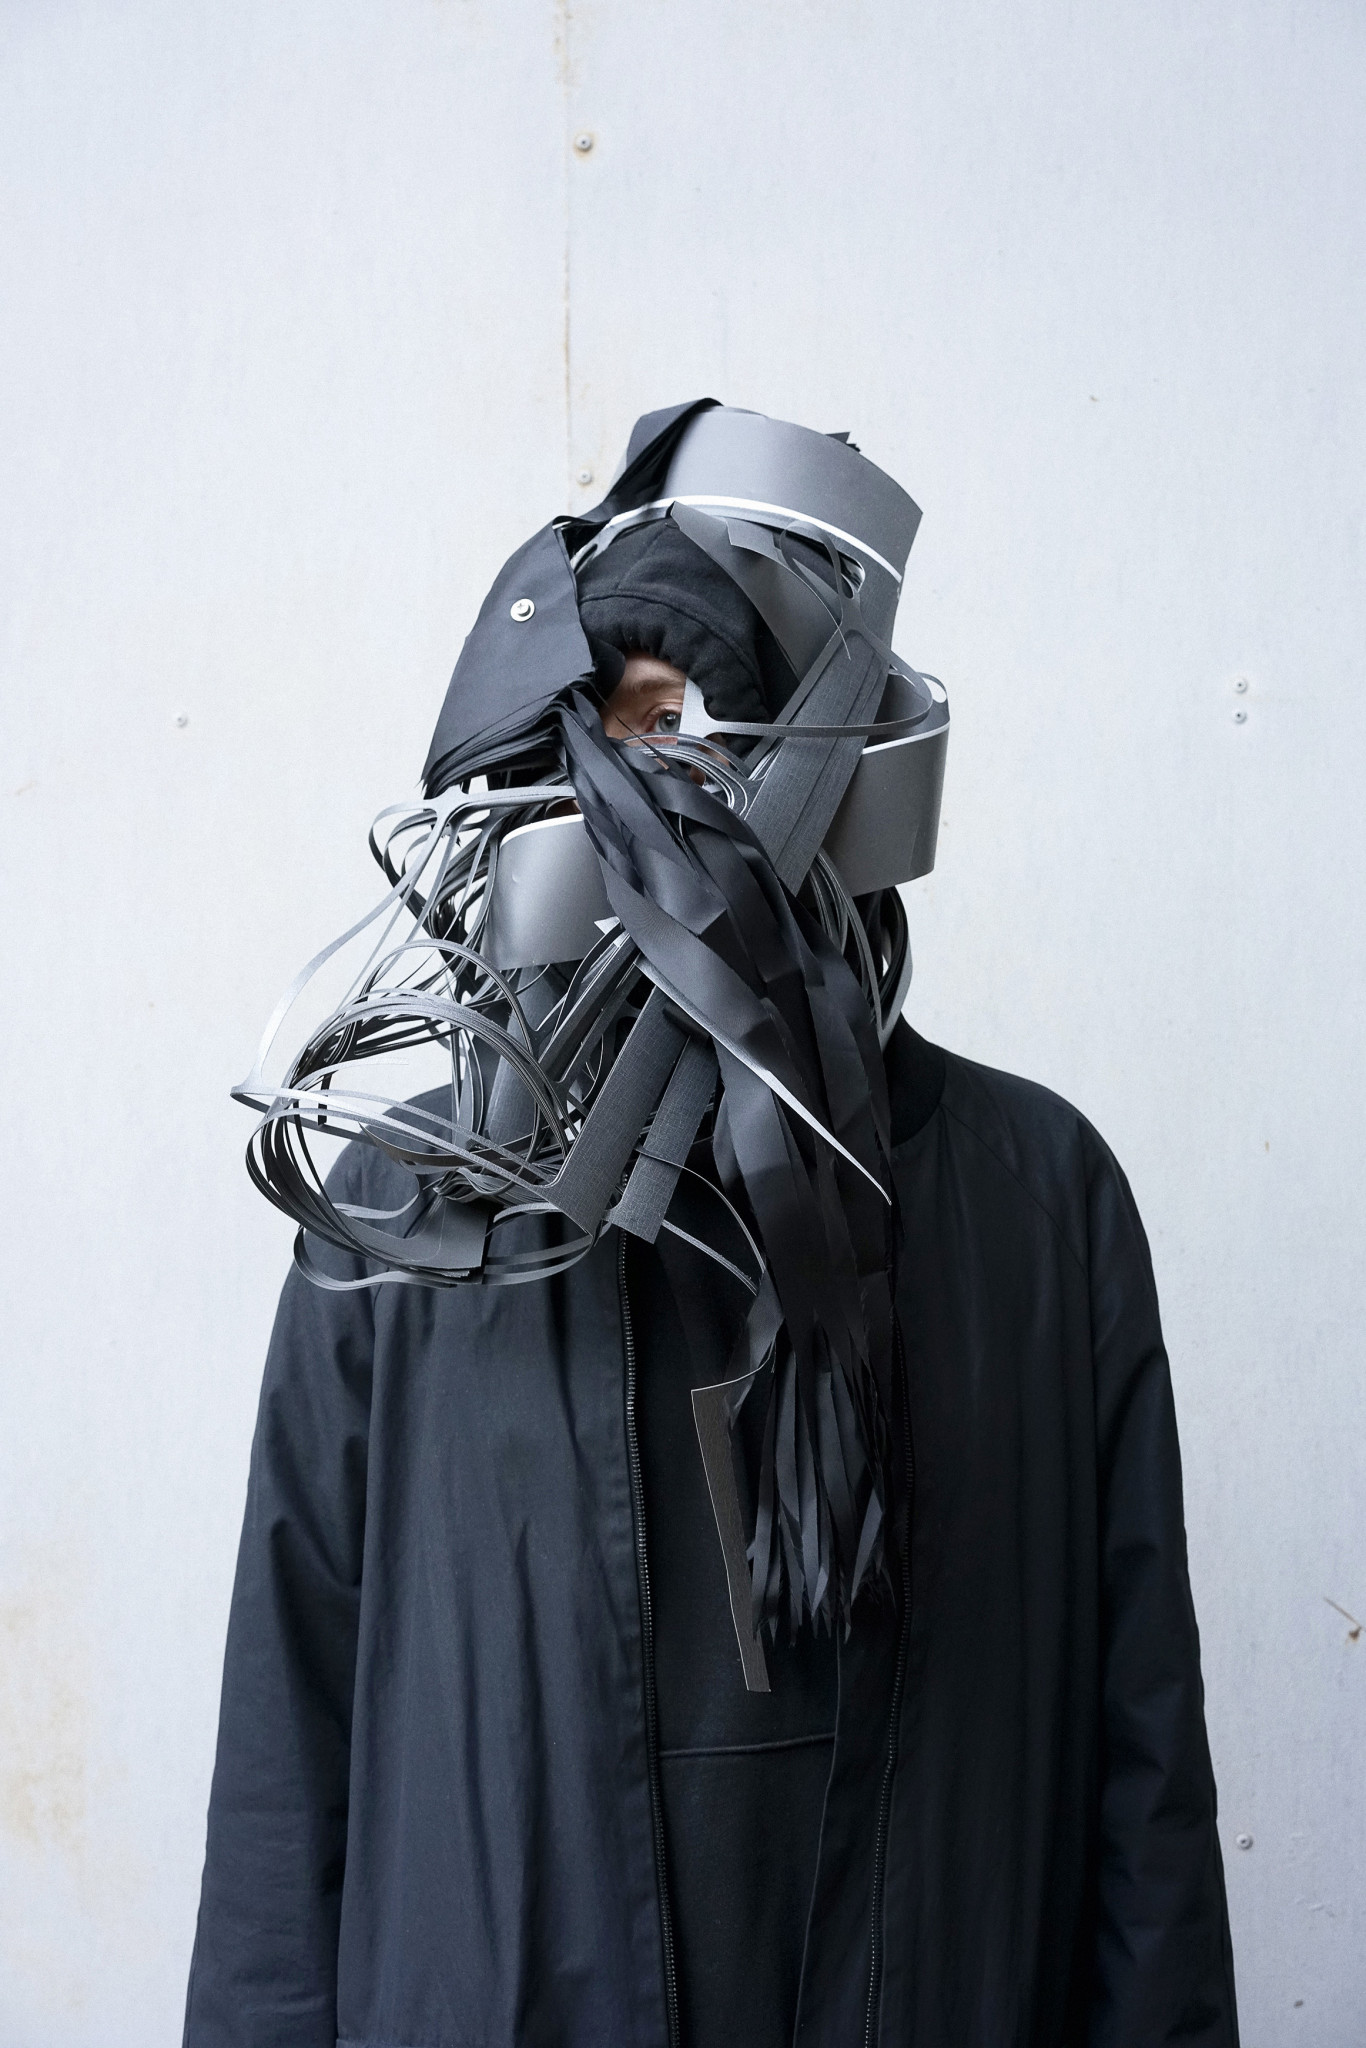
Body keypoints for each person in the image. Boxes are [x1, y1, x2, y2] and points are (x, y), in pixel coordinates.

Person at [185, 404, 1238, 2047]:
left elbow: (1143, 1784)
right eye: (611, 728)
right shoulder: (397, 1222)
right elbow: (287, 1761)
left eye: (690, 719)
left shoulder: (1036, 1202)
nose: (645, 794)